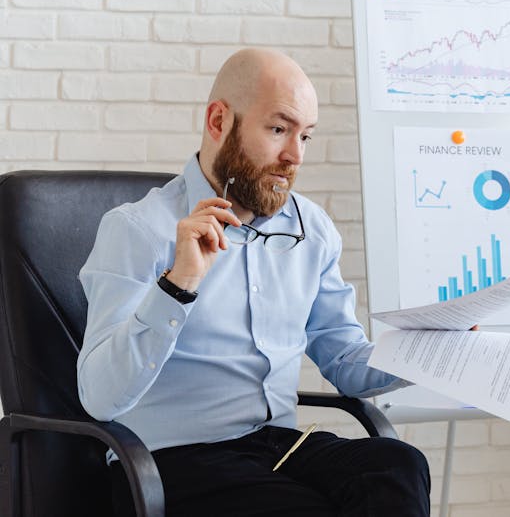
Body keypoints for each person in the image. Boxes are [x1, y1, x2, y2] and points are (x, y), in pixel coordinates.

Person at [77, 48, 430, 517]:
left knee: (396, 464)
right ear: (219, 121)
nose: (294, 156)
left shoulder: (312, 229)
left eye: (305, 136)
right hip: (173, 458)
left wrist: (435, 353)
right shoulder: (138, 229)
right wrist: (178, 285)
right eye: (279, 129)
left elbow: (344, 359)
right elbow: (99, 398)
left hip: (278, 449)